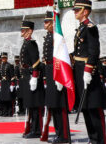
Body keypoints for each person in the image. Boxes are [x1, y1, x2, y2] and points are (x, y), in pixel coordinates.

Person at [72, 0, 106, 143]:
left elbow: (94, 51)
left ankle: (99, 139)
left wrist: (88, 70)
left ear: (85, 11)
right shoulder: (81, 28)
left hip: (88, 71)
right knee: (85, 106)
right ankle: (92, 138)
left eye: (77, 10)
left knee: (93, 107)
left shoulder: (90, 27)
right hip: (79, 70)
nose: (74, 12)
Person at [42, 10, 69, 143]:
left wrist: (59, 77)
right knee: (54, 104)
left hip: (56, 71)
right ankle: (59, 133)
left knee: (60, 105)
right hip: (49, 71)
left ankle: (64, 135)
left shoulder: (56, 36)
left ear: (53, 23)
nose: (45, 24)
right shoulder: (48, 36)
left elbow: (60, 55)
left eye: (47, 21)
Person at [20, 21, 44, 138]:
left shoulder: (31, 43)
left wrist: (34, 77)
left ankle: (37, 130)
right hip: (26, 77)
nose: (22, 31)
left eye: (24, 30)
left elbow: (36, 62)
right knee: (30, 105)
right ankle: (32, 129)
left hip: (31, 77)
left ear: (30, 31)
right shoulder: (26, 43)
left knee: (35, 105)